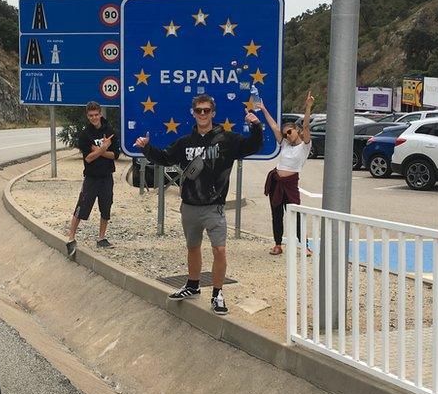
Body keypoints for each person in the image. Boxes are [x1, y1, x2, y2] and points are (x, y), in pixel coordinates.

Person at [133, 94, 263, 316]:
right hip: (190, 206)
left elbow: (253, 146)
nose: (202, 114)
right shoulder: (185, 142)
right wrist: (146, 148)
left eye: (206, 110)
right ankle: (192, 286)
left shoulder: (228, 140)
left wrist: (256, 126)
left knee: (219, 249)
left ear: (213, 113)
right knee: (193, 248)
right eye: (198, 110)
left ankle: (217, 294)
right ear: (193, 113)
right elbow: (165, 158)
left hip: (214, 207)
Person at [262, 91, 314, 256]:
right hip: (276, 182)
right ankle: (278, 244)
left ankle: (304, 245)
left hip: (291, 184)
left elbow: (306, 126)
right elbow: (274, 127)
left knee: (296, 215)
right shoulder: (284, 144)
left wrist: (308, 107)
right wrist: (263, 108)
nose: (287, 135)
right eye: (285, 134)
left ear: (296, 130)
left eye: (289, 132)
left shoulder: (304, 146)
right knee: (276, 215)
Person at [66, 101, 120, 259]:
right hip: (91, 177)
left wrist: (100, 151)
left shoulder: (109, 131)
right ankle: (71, 237)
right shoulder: (85, 134)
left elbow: (114, 155)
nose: (94, 118)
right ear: (87, 116)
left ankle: (101, 237)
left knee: (106, 206)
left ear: (100, 114)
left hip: (106, 176)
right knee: (82, 206)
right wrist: (104, 149)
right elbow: (88, 158)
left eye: (96, 115)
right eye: (91, 116)